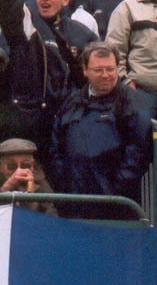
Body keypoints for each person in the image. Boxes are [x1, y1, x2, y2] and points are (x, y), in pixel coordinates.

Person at [51, 41, 151, 219]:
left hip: (115, 203)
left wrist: (116, 187)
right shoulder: (72, 101)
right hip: (73, 199)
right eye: (98, 70)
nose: (106, 75)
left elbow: (139, 151)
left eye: (110, 69)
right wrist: (62, 180)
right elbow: (56, 144)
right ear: (85, 70)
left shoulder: (132, 102)